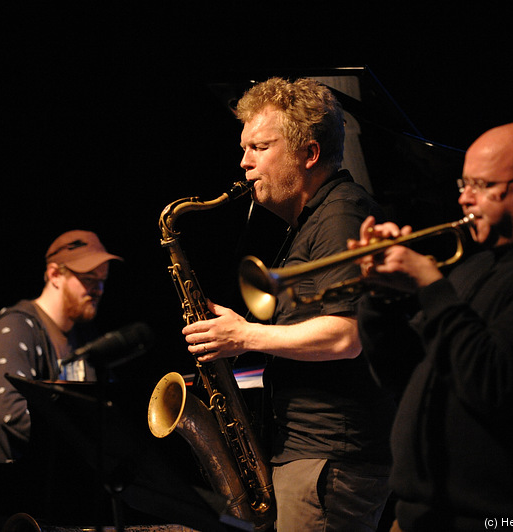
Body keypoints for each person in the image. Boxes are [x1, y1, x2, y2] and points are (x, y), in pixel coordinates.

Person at [353, 121, 513, 531]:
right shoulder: (474, 267)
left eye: (482, 185)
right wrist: (381, 298)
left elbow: (493, 382)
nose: (463, 198)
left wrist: (430, 284)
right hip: (417, 514)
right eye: (463, 183)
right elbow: (403, 374)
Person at [181, 77, 395, 531]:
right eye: (244, 149)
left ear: (309, 154)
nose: (244, 164)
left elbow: (346, 335)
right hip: (313, 455)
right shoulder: (314, 220)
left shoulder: (340, 216)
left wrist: (244, 335)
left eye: (259, 147)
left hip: (329, 460)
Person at [0, 229, 122, 465]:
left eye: (102, 280)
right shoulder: (15, 327)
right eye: (88, 278)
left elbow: (106, 410)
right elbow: (14, 417)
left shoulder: (84, 336)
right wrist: (90, 447)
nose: (98, 290)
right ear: (54, 275)